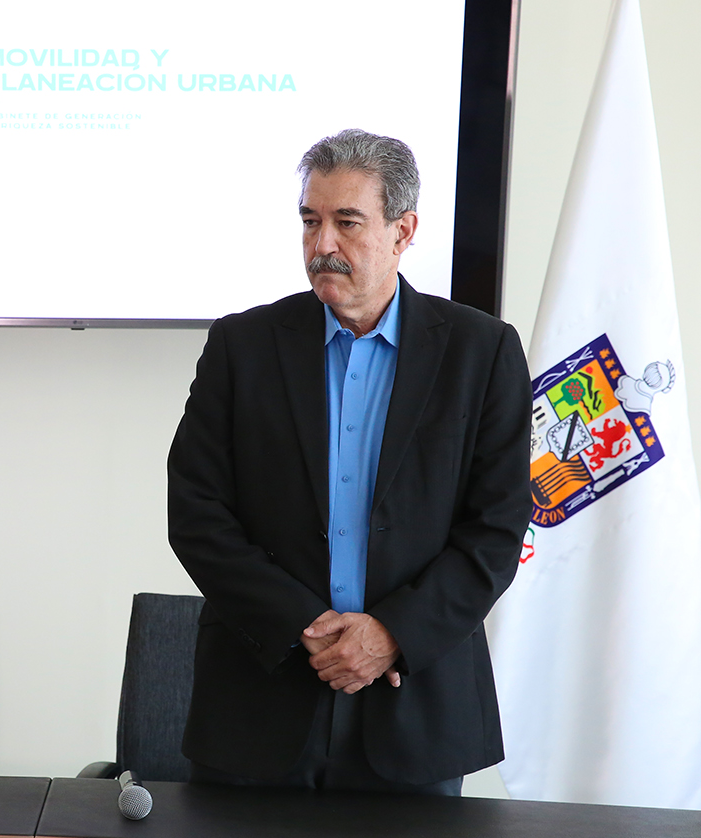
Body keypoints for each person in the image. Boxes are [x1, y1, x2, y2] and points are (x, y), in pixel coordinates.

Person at [167, 129, 531, 794]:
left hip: (415, 706)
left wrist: (392, 633)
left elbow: (497, 529)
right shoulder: (242, 346)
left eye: (347, 222)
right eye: (310, 221)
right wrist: (303, 626)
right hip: (259, 702)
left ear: (403, 231)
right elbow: (196, 513)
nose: (322, 244)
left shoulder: (482, 352)